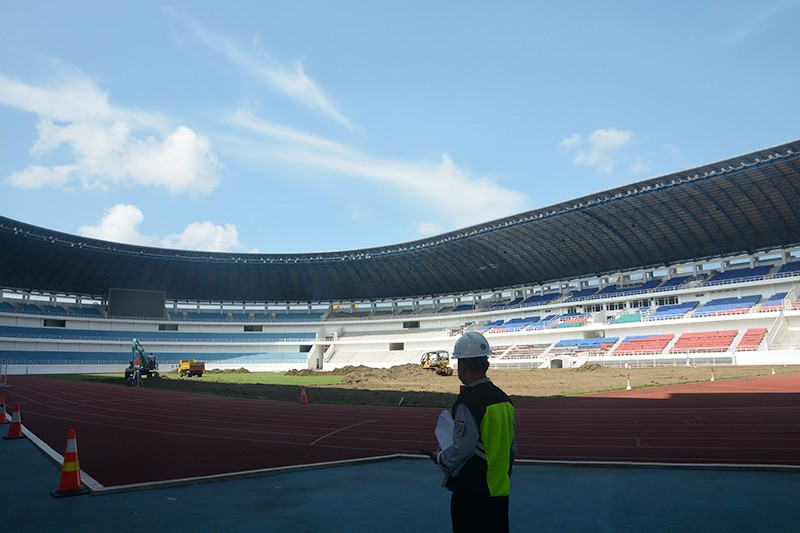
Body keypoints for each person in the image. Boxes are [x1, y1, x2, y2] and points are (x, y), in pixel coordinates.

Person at [432, 331, 516, 532]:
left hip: (473, 492)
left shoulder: (468, 402)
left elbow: (462, 448)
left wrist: (440, 458)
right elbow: (512, 448)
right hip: (500, 491)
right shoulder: (504, 399)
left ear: (463, 365)